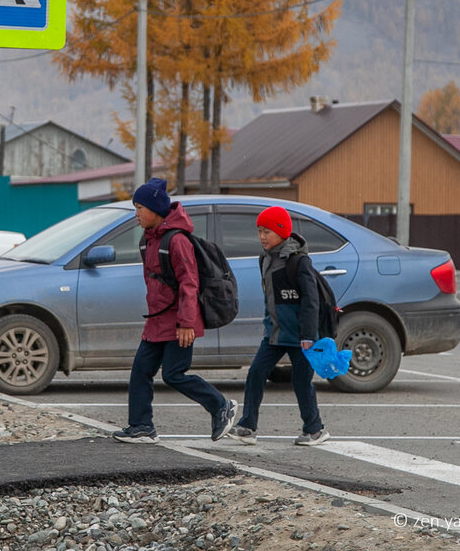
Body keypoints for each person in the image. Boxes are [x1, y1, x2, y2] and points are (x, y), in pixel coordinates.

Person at [112, 178, 237, 444]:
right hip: (158, 322)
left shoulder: (177, 241)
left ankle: (221, 407)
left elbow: (189, 283)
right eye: (135, 207)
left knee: (173, 374)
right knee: (141, 371)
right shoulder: (148, 241)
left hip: (180, 322)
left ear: (156, 208)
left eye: (140, 208)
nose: (136, 214)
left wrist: (186, 322)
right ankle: (141, 426)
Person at [235, 205, 330, 446]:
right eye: (259, 231)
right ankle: (247, 427)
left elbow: (311, 300)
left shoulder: (299, 262)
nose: (262, 237)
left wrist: (308, 334)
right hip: (275, 334)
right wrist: (269, 325)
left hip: (301, 336)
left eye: (267, 231)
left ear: (281, 231)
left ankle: (315, 429)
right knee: (256, 373)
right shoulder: (264, 259)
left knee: (301, 381)